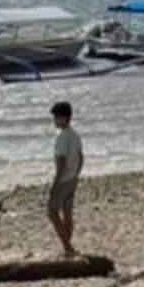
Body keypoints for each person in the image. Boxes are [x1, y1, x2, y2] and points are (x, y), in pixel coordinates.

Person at [45, 98, 84, 255]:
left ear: (63, 117)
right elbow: (81, 158)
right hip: (73, 178)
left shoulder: (61, 137)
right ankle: (67, 245)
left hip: (63, 180)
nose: (54, 120)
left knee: (52, 212)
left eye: (56, 117)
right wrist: (76, 173)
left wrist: (54, 184)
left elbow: (61, 163)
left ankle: (67, 246)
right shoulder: (75, 135)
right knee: (67, 213)